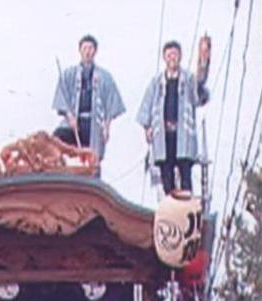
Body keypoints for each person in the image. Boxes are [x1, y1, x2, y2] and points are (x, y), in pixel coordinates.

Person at [136, 40, 209, 194]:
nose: (172, 58)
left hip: (183, 134)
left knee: (185, 176)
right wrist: (147, 128)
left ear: (180, 56)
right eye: (168, 55)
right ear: (164, 58)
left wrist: (203, 61)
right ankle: (171, 208)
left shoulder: (188, 78)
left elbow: (200, 91)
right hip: (163, 135)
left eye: (174, 54)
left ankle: (187, 209)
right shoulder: (157, 82)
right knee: (166, 176)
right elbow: (145, 107)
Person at [52, 34, 125, 165]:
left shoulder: (105, 76)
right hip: (73, 121)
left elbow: (111, 103)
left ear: (95, 51)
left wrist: (107, 127)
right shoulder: (69, 74)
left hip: (94, 124)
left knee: (92, 159)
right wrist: (70, 117)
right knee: (57, 138)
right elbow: (62, 98)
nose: (87, 51)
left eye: (90, 48)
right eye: (84, 48)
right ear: (79, 50)